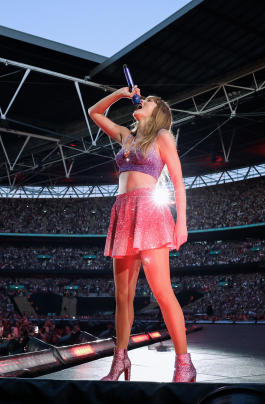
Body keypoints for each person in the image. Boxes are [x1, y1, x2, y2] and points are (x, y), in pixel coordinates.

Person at [88, 85, 195, 382]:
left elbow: (178, 181)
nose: (141, 101)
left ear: (157, 113)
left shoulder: (162, 137)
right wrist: (119, 94)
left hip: (149, 211)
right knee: (123, 297)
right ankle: (119, 361)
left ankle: (184, 364)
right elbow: (94, 112)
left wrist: (181, 222)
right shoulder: (126, 136)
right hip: (122, 212)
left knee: (162, 292)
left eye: (147, 101)